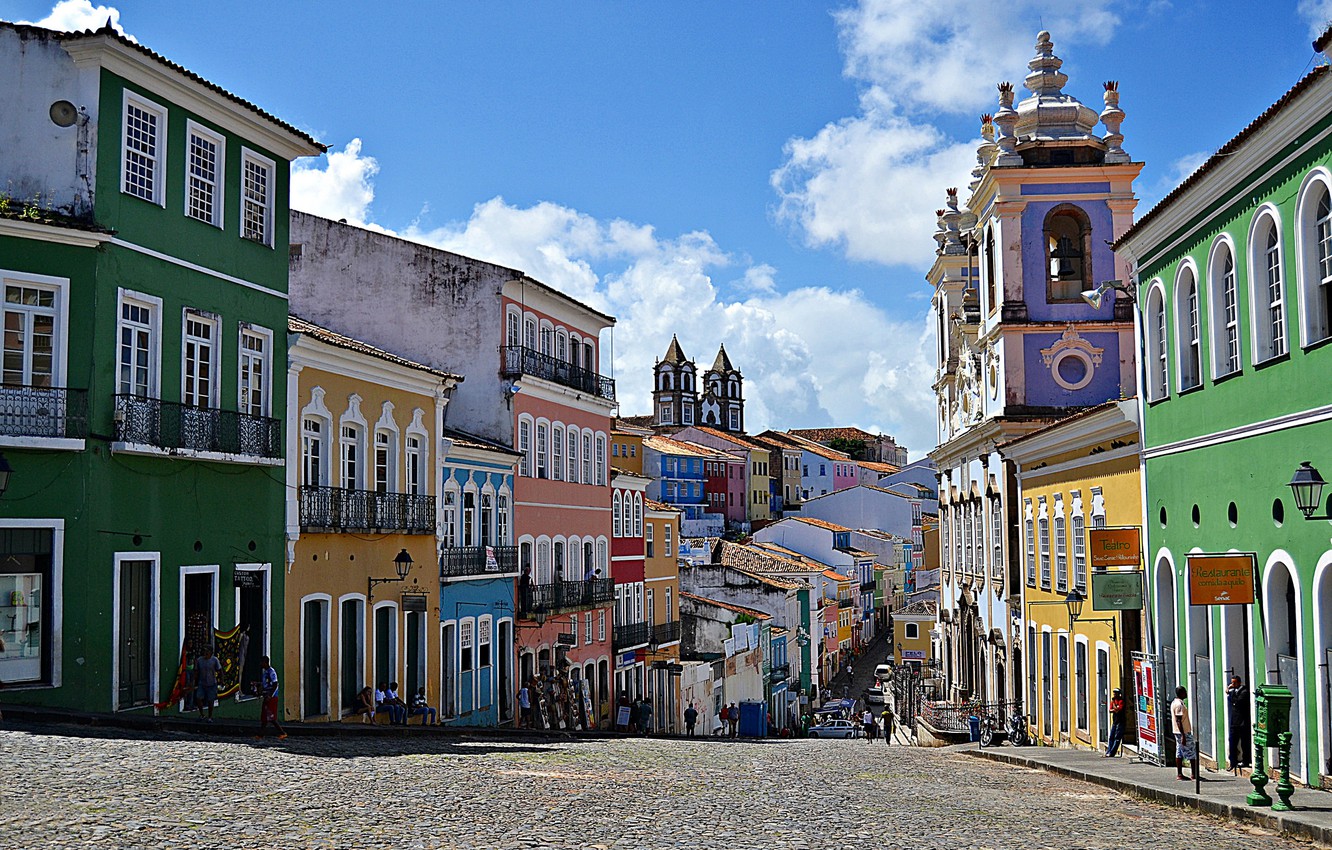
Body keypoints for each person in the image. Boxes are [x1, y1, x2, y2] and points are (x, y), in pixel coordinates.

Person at [253, 655, 287, 740]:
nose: (260, 664)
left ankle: (282, 733)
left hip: (271, 697)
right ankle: (260, 734)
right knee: (265, 716)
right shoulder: (265, 672)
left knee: (271, 717)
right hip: (267, 696)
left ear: (265, 662)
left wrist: (270, 695)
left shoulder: (271, 672)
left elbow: (275, 684)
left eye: (261, 662)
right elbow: (266, 684)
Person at [1226, 675, 1252, 770]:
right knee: (1232, 742)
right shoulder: (1235, 692)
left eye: (1234, 683)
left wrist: (1229, 694)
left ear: (1239, 682)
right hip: (1234, 722)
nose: (1233, 684)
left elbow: (1236, 703)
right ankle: (1233, 762)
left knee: (1244, 743)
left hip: (1242, 723)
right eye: (1232, 682)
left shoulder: (1244, 692)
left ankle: (1245, 761)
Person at [1171, 685, 1195, 781]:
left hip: (1178, 732)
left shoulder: (1176, 702)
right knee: (1192, 753)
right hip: (1182, 732)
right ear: (1181, 693)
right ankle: (1193, 774)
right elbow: (1178, 720)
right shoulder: (1179, 705)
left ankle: (1180, 774)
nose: (1186, 693)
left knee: (1179, 752)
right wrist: (1183, 736)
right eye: (1184, 692)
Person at [194, 645, 222, 723]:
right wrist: (194, 681)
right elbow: (196, 671)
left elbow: (219, 670)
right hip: (201, 683)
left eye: (207, 651)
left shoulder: (214, 660)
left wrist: (221, 681)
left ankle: (210, 716)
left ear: (211, 653)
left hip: (212, 683)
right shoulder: (199, 660)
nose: (205, 653)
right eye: (204, 651)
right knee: (198, 698)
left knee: (210, 700)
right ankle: (202, 714)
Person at [1105, 687, 1126, 757]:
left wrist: (1115, 709)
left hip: (1120, 721)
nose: (1114, 694)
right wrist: (1115, 708)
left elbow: (1118, 709)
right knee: (1111, 737)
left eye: (1116, 692)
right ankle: (1108, 751)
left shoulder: (1121, 701)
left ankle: (1112, 753)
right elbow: (1110, 710)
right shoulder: (1113, 701)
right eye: (1114, 692)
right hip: (1115, 721)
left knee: (1117, 738)